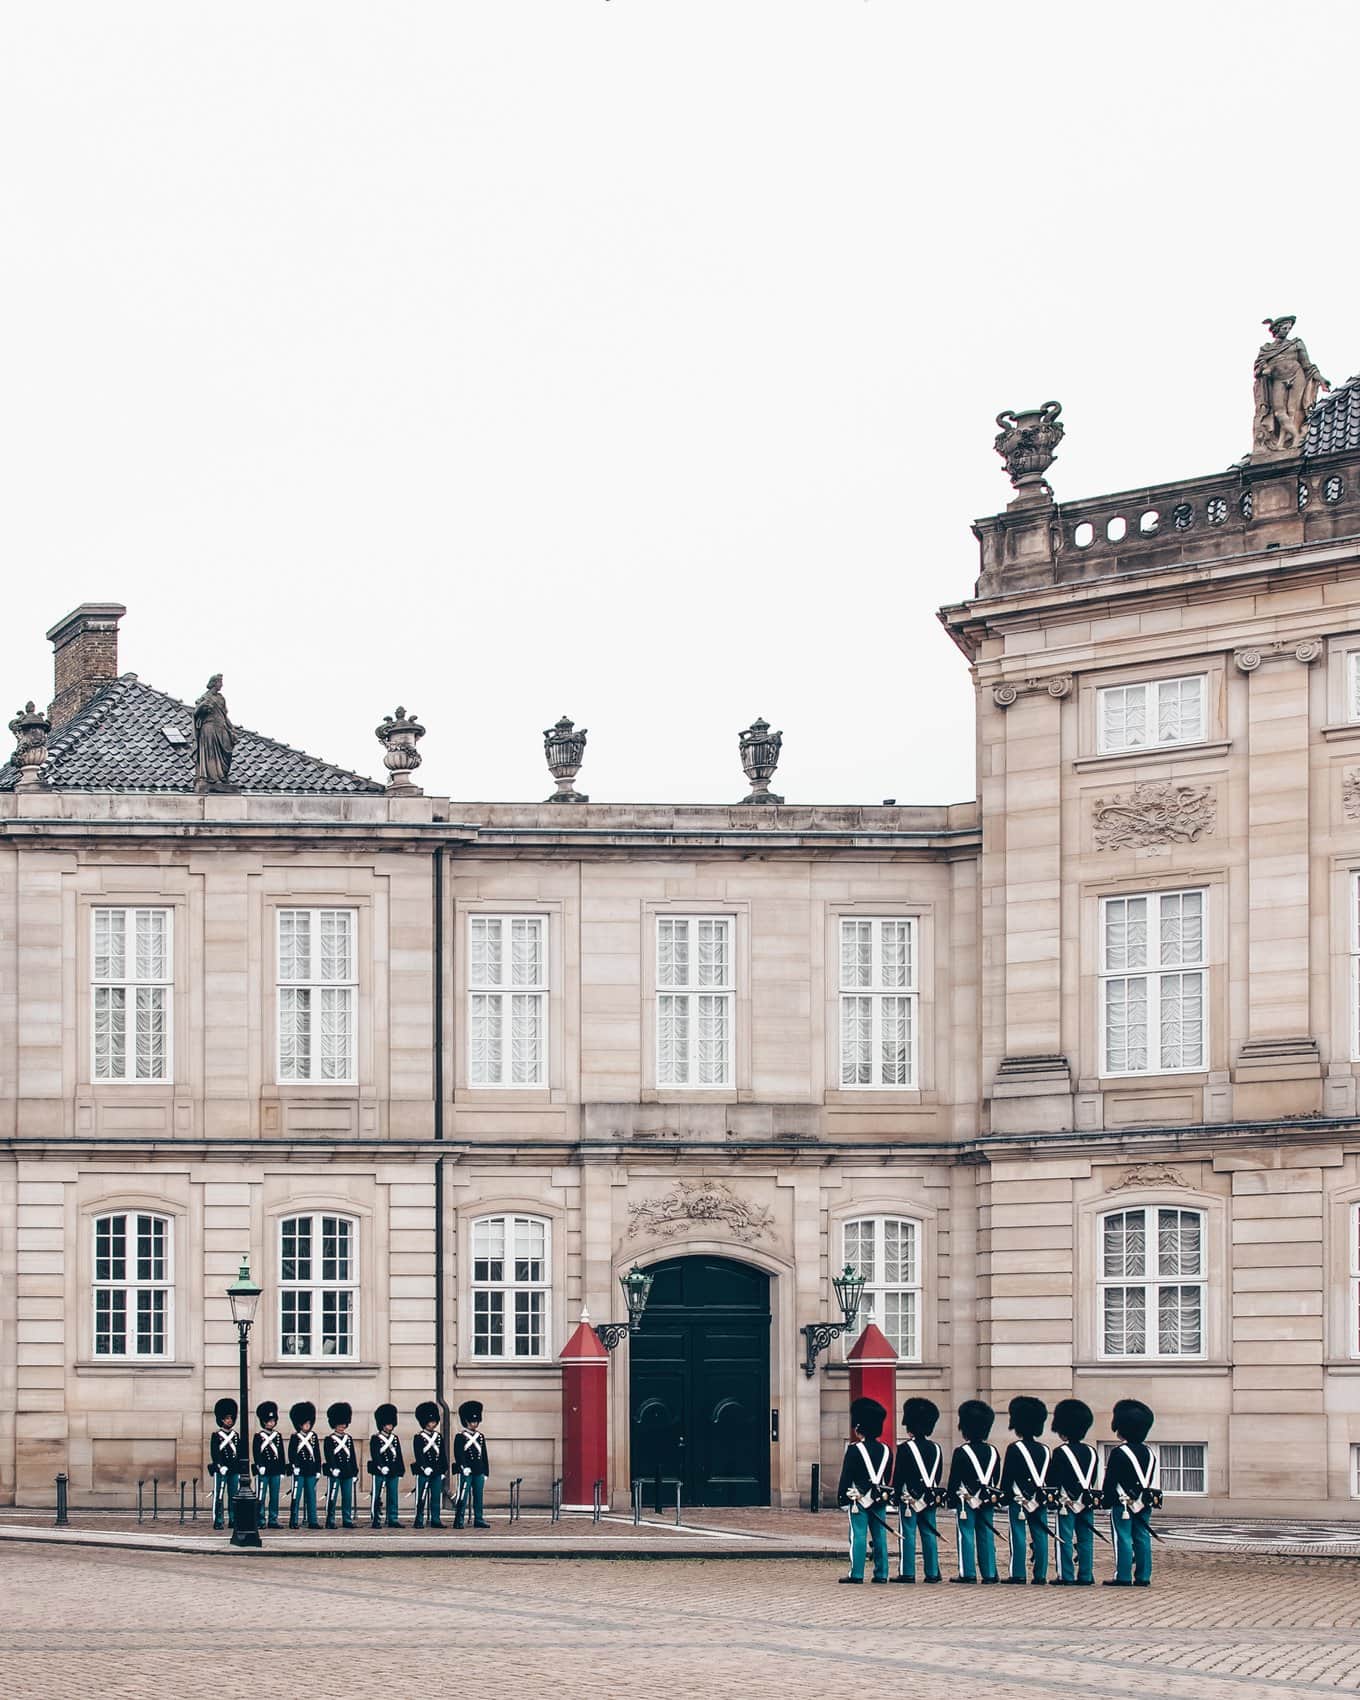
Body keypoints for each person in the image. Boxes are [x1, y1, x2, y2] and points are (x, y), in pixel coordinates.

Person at [835, 1395, 892, 1584]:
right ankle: (882, 1573)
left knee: (858, 1535)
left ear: (859, 1427)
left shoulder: (854, 1449)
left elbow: (846, 1475)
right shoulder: (886, 1450)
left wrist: (842, 1497)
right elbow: (886, 1476)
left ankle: (856, 1573)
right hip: (878, 1498)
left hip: (858, 1499)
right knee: (880, 1536)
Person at [1103, 1398, 1160, 1588]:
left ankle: (1123, 1576)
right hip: (1143, 1503)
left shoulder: (1119, 1452)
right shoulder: (1150, 1452)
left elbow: (1110, 1480)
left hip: (1123, 1503)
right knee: (1143, 1538)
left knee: (1123, 1538)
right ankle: (1143, 1576)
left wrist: (1106, 1499)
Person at [946, 1399, 1001, 1585]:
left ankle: (967, 1572)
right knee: (986, 1535)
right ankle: (990, 1573)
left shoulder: (961, 1451)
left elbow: (954, 1478)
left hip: (966, 1500)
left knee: (966, 1534)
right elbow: (996, 1476)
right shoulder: (993, 1451)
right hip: (986, 1499)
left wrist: (952, 1500)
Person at [1050, 1399, 1101, 1587]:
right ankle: (1086, 1575)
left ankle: (1066, 1575)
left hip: (1066, 1502)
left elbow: (1054, 1479)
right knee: (1085, 1539)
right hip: (1086, 1500)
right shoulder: (1092, 1451)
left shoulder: (1060, 1452)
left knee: (1064, 1538)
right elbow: (1093, 1476)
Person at [1001, 1395, 1052, 1584]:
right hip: (1039, 1499)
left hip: (1019, 1499)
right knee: (1041, 1536)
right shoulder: (1045, 1449)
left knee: (1018, 1535)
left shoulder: (1014, 1448)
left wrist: (1005, 1496)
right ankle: (1041, 1574)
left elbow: (1008, 1476)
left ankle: (1018, 1573)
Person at [892, 1397, 944, 1584]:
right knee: (929, 1533)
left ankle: (907, 1571)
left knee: (908, 1533)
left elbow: (899, 1475)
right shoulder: (936, 1448)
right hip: (929, 1497)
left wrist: (896, 1494)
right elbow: (938, 1473)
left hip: (909, 1498)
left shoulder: (905, 1448)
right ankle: (932, 1572)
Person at [453, 1400, 492, 1529]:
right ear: (466, 1421)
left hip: (478, 1470)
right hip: (467, 1471)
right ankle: (459, 1519)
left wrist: (486, 1471)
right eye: (472, 1421)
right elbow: (459, 1454)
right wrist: (463, 1467)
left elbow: (484, 1455)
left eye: (476, 1421)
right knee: (462, 1496)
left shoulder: (480, 1437)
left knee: (478, 1497)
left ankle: (479, 1519)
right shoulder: (460, 1437)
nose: (474, 1424)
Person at [323, 1401, 360, 1530]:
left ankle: (347, 1519)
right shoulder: (330, 1439)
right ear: (334, 1424)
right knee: (332, 1497)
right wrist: (333, 1468)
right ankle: (330, 1519)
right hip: (336, 1471)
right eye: (339, 1424)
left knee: (347, 1497)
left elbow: (352, 1456)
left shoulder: (348, 1439)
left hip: (348, 1471)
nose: (342, 1426)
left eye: (344, 1424)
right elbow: (329, 1456)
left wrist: (355, 1472)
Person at [368, 1402, 405, 1528]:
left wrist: (401, 1469)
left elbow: (398, 1454)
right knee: (377, 1496)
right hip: (380, 1470)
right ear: (382, 1424)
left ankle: (392, 1518)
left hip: (393, 1470)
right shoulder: (376, 1438)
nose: (390, 1426)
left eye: (391, 1424)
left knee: (393, 1495)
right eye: (388, 1424)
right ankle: (375, 1518)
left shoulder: (394, 1439)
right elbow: (375, 1454)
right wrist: (381, 1466)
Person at [411, 1400, 447, 1529]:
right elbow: (418, 1454)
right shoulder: (419, 1437)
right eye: (430, 1422)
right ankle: (418, 1519)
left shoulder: (438, 1437)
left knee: (436, 1496)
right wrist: (424, 1467)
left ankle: (435, 1519)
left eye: (434, 1422)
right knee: (421, 1497)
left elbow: (442, 1454)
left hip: (437, 1471)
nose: (433, 1424)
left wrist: (443, 1470)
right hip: (423, 1471)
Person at [252, 1401, 286, 1530]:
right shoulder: (259, 1436)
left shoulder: (277, 1436)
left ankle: (273, 1519)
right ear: (264, 1422)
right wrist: (259, 1465)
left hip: (275, 1469)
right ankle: (260, 1519)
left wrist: (282, 1470)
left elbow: (281, 1454)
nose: (271, 1423)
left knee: (274, 1496)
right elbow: (256, 1452)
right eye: (269, 1421)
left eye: (273, 1420)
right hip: (264, 1470)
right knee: (261, 1496)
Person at [288, 1400, 322, 1530]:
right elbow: (292, 1453)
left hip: (311, 1470)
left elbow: (317, 1454)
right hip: (299, 1470)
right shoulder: (295, 1437)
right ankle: (294, 1520)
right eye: (305, 1423)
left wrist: (318, 1469)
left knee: (311, 1497)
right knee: (296, 1496)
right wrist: (294, 1466)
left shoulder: (313, 1437)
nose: (307, 1426)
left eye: (309, 1423)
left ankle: (313, 1520)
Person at [209, 1397, 242, 1530]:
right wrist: (219, 1465)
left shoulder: (235, 1435)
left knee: (233, 1495)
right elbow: (215, 1452)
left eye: (231, 1418)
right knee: (220, 1495)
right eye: (227, 1418)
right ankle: (218, 1519)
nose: (230, 1420)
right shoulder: (216, 1435)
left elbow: (239, 1452)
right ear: (222, 1419)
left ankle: (233, 1519)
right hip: (222, 1469)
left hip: (234, 1469)